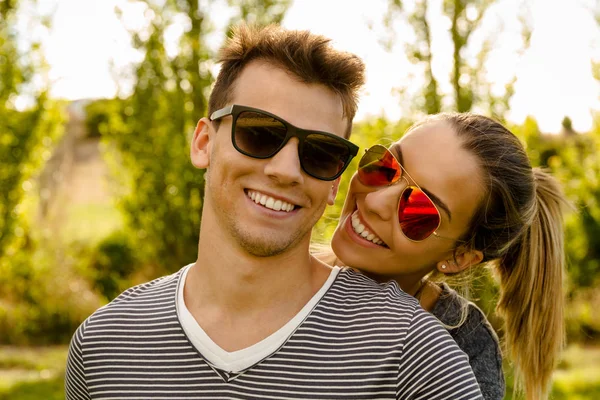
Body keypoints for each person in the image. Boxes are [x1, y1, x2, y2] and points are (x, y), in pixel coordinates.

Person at [64, 25, 483, 399]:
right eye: (258, 133)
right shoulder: (104, 345)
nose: (284, 171)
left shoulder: (413, 356)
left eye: (320, 153)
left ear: (336, 180)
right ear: (204, 143)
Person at [326, 112, 568, 400]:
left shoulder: (461, 353)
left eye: (418, 209)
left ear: (459, 257)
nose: (375, 201)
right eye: (385, 165)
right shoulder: (274, 268)